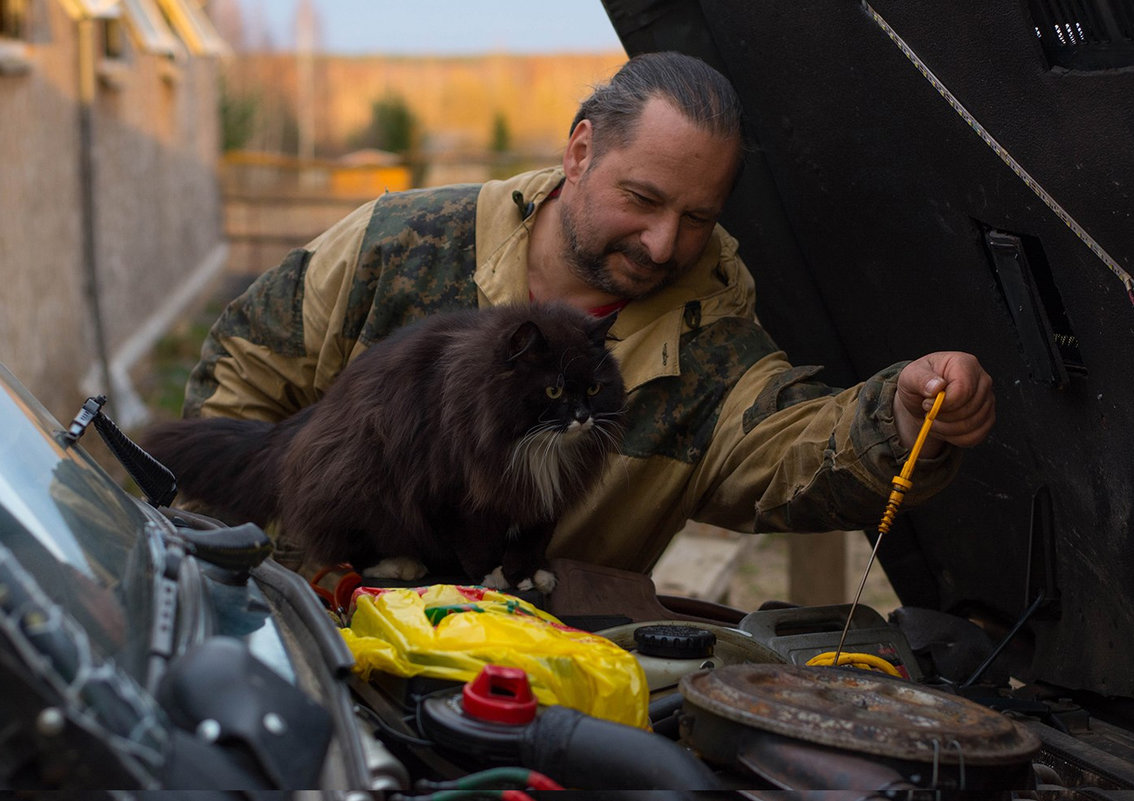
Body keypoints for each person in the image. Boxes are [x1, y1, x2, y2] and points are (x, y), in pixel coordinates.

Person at [182, 51, 994, 575]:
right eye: (641, 199)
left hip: (531, 697)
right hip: (313, 629)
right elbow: (241, 372)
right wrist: (226, 575)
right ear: (579, 152)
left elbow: (789, 456)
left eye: (698, 217)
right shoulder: (398, 242)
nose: (663, 243)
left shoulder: (713, 337)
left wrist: (895, 414)